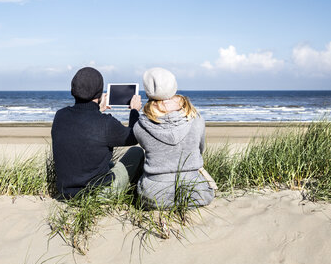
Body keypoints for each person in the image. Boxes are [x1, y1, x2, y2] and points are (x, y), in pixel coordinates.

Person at [52, 67, 144, 198]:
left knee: (108, 163)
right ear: (100, 93)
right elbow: (133, 137)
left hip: (66, 192)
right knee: (137, 152)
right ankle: (132, 195)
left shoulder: (60, 116)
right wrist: (134, 111)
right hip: (97, 194)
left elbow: (84, 127)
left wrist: (98, 110)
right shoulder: (106, 123)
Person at [134, 67, 216, 209]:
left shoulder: (140, 126)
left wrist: (133, 111)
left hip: (154, 197)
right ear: (173, 85)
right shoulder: (196, 119)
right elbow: (200, 150)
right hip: (196, 193)